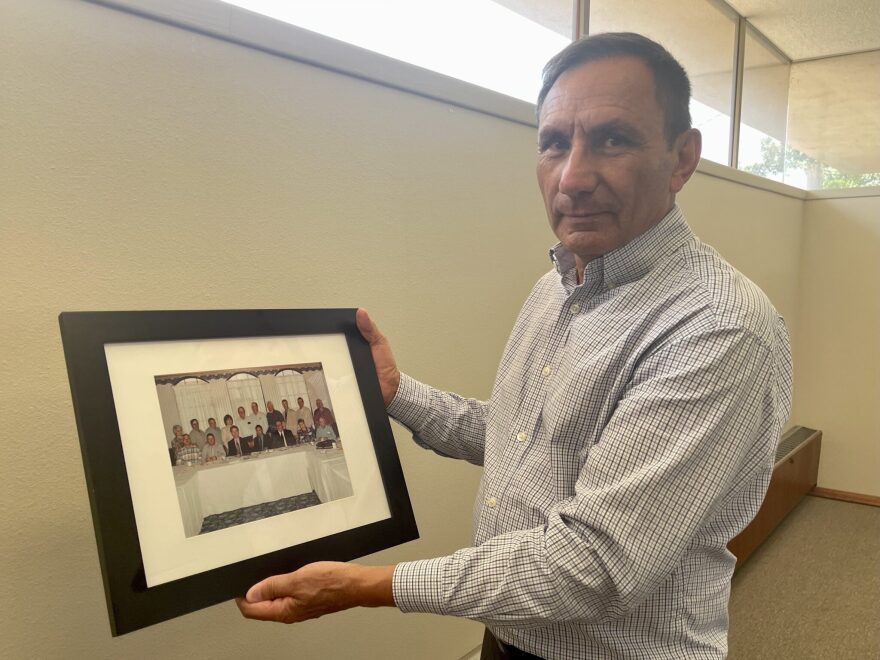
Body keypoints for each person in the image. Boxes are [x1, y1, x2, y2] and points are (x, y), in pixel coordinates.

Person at [237, 33, 792, 660]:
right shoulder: (556, 287)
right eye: (555, 143)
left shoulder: (718, 327)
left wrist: (366, 585)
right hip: (509, 636)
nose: (574, 176)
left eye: (613, 138)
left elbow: (595, 562)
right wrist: (396, 393)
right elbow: (521, 442)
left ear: (681, 158)